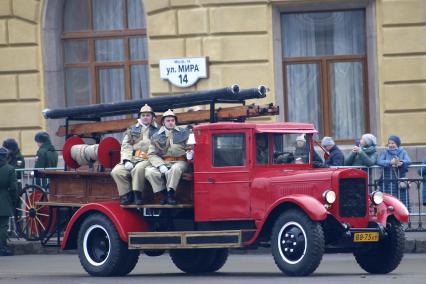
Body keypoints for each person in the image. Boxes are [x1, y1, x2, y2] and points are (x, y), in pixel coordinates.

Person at [111, 104, 158, 205]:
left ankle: (137, 194)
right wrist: (126, 160)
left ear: (152, 117)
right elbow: (126, 146)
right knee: (116, 171)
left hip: (148, 159)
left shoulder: (157, 131)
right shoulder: (132, 130)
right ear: (140, 117)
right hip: (133, 158)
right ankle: (128, 194)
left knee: (138, 169)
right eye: (143, 115)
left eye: (148, 115)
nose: (145, 117)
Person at [145, 109, 191, 205]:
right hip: (164, 162)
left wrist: (190, 152)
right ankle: (164, 194)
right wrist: (160, 165)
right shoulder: (156, 136)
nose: (171, 123)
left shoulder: (184, 132)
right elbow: (151, 154)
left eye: (172, 120)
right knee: (149, 171)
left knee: (175, 169)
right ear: (163, 122)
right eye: (168, 120)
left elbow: (190, 147)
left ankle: (170, 194)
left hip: (180, 161)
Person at [377, 135, 411, 209]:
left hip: (399, 180)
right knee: (387, 199)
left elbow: (408, 161)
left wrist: (402, 162)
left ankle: (402, 215)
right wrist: (390, 162)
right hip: (387, 180)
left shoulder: (403, 151)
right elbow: (379, 161)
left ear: (397, 144)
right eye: (389, 143)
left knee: (401, 199)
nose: (391, 145)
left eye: (393, 143)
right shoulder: (385, 152)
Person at [0, 147, 17, 256]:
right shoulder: (10, 169)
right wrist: (13, 200)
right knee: (3, 226)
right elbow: (13, 187)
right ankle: (2, 247)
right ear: (5, 156)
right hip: (4, 199)